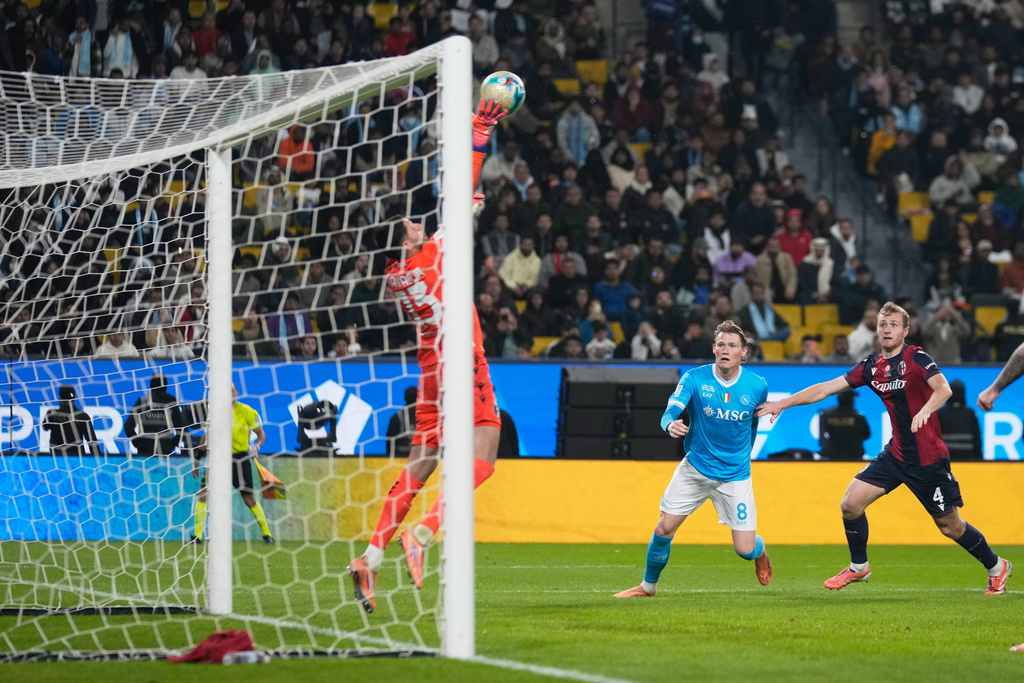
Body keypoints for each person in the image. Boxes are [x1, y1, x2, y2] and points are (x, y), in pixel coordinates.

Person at [348, 97, 507, 614]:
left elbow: (464, 203)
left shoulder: (397, 276)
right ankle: (424, 531)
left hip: (429, 367)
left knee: (421, 462)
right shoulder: (435, 251)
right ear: (404, 241)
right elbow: (465, 178)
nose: (418, 224)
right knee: (484, 453)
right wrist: (480, 128)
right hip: (462, 357)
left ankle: (369, 557)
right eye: (410, 226)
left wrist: (469, 208)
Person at [757, 302, 1011, 594]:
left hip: (927, 459)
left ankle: (996, 566)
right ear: (876, 330)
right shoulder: (871, 367)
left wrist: (927, 410)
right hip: (897, 453)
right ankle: (859, 568)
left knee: (950, 526)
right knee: (850, 505)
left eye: (893, 324)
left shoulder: (917, 358)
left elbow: (944, 389)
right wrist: (783, 403)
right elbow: (826, 388)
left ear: (905, 330)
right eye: (882, 324)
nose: (887, 329)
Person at [614, 321, 771, 598]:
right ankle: (647, 588)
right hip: (695, 468)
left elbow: (752, 427)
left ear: (743, 352)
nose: (725, 349)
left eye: (732, 346)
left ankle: (761, 554)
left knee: (744, 550)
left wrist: (741, 460)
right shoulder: (694, 378)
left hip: (734, 476)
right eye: (720, 344)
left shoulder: (757, 386)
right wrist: (669, 423)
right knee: (664, 527)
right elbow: (671, 409)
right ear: (713, 349)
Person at [190, 383, 273, 545]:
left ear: (236, 392)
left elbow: (261, 434)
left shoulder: (248, 412)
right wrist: (197, 462)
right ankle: (197, 536)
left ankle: (267, 534)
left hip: (239, 460)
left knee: (248, 499)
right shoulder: (215, 412)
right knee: (203, 494)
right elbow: (205, 438)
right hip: (217, 459)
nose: (230, 393)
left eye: (232, 390)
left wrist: (256, 446)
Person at [123, 374, 185, 456]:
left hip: (145, 452)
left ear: (151, 386)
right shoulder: (172, 402)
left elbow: (128, 427)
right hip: (165, 451)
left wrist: (138, 443)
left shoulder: (142, 402)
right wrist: (173, 443)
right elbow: (181, 428)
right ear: (166, 386)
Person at [43, 386, 103, 456]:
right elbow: (92, 441)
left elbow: (45, 427)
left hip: (57, 459)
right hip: (78, 460)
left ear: (60, 397)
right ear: (74, 398)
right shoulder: (83, 416)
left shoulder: (52, 414)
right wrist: (99, 461)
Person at [819, 391, 871, 461]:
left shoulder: (827, 414)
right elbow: (867, 434)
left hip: (833, 453)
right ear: (851, 400)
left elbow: (823, 434)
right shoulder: (858, 417)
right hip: (854, 453)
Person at [937, 379, 982, 460]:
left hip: (946, 460)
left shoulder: (940, 413)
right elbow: (977, 440)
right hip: (968, 460)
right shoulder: (971, 414)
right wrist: (979, 459)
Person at [386, 386, 417, 459]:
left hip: (399, 459)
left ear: (404, 398)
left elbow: (389, 441)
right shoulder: (426, 417)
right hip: (417, 458)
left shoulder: (397, 417)